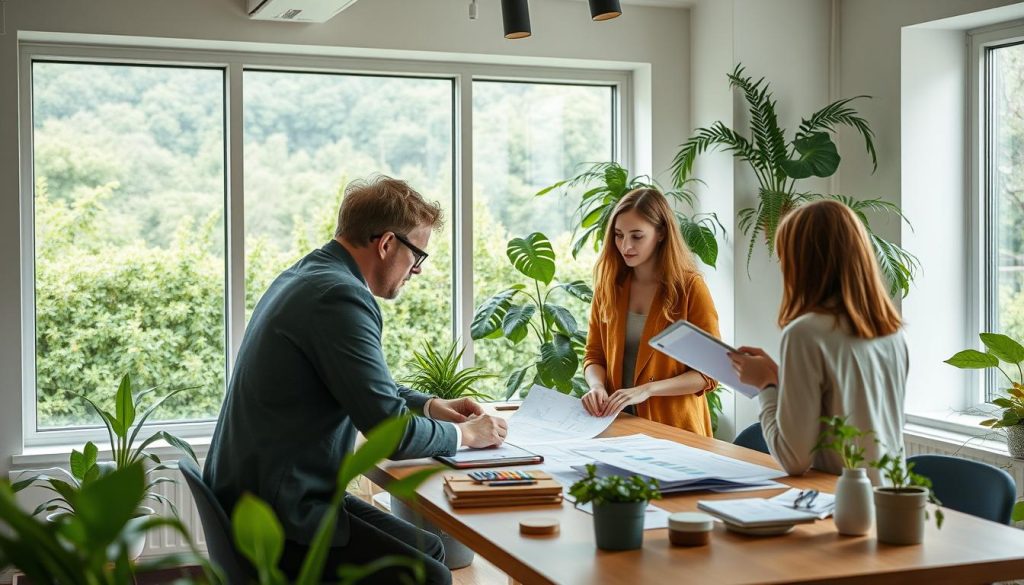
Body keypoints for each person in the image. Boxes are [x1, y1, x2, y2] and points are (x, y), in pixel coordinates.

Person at [204, 176, 508, 584]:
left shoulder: (309, 275)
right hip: (281, 515)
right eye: (417, 255)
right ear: (386, 244)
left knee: (430, 548)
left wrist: (431, 405)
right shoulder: (339, 297)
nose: (417, 270)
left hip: (256, 494)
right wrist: (467, 436)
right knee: (430, 575)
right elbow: (390, 434)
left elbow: (358, 381)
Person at [728, 199, 908, 482]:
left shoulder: (805, 333)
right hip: (889, 499)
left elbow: (793, 459)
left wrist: (766, 386)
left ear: (804, 263)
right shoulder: (892, 332)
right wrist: (780, 377)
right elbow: (846, 407)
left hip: (839, 499)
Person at [580, 188, 721, 436]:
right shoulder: (609, 286)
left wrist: (647, 390)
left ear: (661, 234)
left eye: (637, 236)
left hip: (677, 431)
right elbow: (594, 355)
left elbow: (709, 373)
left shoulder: (689, 288)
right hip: (616, 426)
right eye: (619, 235)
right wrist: (596, 386)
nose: (626, 246)